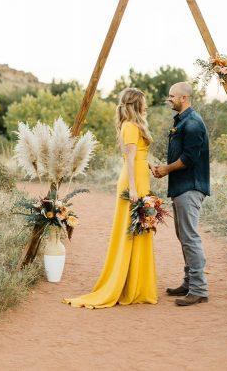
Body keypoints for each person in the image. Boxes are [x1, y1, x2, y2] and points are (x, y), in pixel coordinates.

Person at [63, 87, 157, 308]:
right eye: (143, 102)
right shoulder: (130, 127)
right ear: (136, 104)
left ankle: (136, 282)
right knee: (130, 228)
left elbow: (138, 157)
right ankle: (126, 283)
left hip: (141, 177)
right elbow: (130, 159)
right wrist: (133, 189)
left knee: (141, 227)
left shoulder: (135, 125)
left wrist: (149, 164)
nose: (146, 106)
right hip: (133, 182)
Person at [154, 82, 210, 307]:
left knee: (190, 237)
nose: (169, 99)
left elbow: (189, 158)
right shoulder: (182, 121)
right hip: (180, 187)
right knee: (183, 236)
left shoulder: (193, 123)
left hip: (191, 186)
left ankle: (199, 289)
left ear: (184, 98)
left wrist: (165, 169)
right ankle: (189, 283)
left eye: (172, 96)